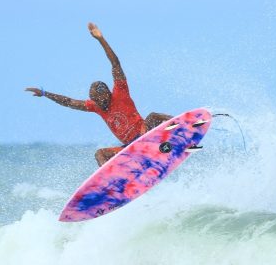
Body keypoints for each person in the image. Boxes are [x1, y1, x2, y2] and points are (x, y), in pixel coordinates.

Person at [26, 23, 172, 166]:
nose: (97, 103)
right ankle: (112, 178)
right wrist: (45, 93)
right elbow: (69, 102)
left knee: (153, 116)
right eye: (94, 100)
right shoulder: (96, 106)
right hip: (129, 148)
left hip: (145, 133)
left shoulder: (120, 92)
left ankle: (183, 125)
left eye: (99, 99)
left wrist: (100, 39)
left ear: (107, 94)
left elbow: (115, 64)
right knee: (100, 154)